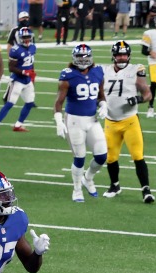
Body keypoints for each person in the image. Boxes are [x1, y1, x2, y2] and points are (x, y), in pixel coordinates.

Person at [53, 44, 107, 202]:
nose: (83, 60)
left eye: (85, 57)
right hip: (74, 121)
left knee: (102, 156)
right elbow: (58, 102)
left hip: (92, 120)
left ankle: (88, 178)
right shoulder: (68, 75)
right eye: (79, 57)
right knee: (79, 157)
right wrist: (58, 121)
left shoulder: (98, 72)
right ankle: (77, 189)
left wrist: (103, 104)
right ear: (74, 58)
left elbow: (100, 95)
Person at [102, 40, 154, 202]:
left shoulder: (135, 69)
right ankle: (115, 185)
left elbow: (147, 93)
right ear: (113, 56)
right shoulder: (103, 70)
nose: (122, 58)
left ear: (129, 56)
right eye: (119, 55)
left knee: (137, 155)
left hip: (130, 121)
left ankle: (146, 190)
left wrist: (138, 99)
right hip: (110, 121)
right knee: (111, 157)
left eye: (125, 55)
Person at [0, 26, 36, 133]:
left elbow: (31, 62)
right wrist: (24, 72)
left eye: (28, 37)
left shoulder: (33, 47)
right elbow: (11, 68)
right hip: (17, 80)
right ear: (19, 38)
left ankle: (18, 125)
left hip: (27, 80)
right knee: (10, 103)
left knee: (30, 103)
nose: (27, 39)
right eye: (24, 37)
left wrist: (32, 73)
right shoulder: (15, 50)